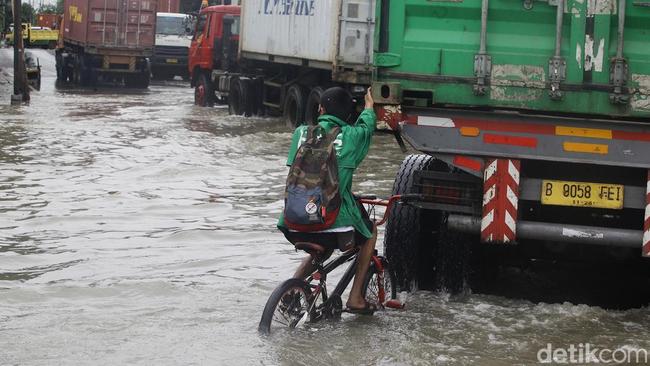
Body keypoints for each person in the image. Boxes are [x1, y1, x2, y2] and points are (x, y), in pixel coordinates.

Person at [278, 86, 378, 314]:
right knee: (370, 232)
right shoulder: (353, 136)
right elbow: (367, 126)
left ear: (321, 109)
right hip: (332, 224)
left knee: (320, 248)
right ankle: (355, 298)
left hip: (291, 222)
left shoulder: (301, 133)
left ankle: (290, 291)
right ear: (348, 115)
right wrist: (370, 108)